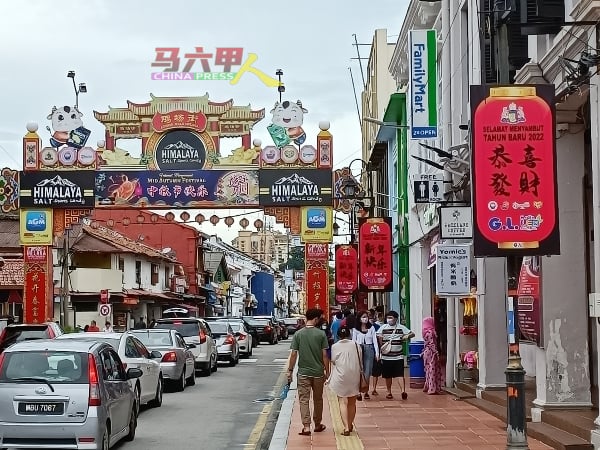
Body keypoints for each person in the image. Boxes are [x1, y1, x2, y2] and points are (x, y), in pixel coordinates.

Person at [287, 308, 330, 436]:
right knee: (318, 399)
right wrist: (327, 371)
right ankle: (317, 424)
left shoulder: (298, 334)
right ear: (316, 319)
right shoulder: (321, 334)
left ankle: (306, 427)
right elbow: (324, 356)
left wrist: (290, 370)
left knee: (304, 399)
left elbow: (294, 354)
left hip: (303, 373)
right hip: (318, 373)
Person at [327, 326, 361, 436]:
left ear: (338, 335)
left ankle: (346, 427)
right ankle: (350, 425)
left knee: (342, 401)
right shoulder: (356, 345)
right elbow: (360, 359)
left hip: (341, 376)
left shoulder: (335, 346)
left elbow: (333, 360)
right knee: (352, 403)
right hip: (354, 375)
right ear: (349, 334)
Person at [376, 310, 414, 399]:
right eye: (388, 318)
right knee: (387, 376)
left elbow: (412, 333)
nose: (389, 319)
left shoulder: (401, 327)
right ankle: (389, 392)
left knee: (400, 374)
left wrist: (406, 336)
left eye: (391, 318)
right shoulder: (383, 327)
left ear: (396, 319)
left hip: (398, 356)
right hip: (386, 357)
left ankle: (403, 391)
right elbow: (378, 337)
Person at [352, 310, 380, 400]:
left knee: (367, 371)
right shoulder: (355, 329)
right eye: (363, 317)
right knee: (359, 370)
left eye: (366, 317)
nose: (365, 319)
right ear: (359, 318)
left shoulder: (371, 328)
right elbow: (353, 342)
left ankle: (366, 391)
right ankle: (359, 392)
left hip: (369, 349)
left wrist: (377, 353)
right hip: (359, 349)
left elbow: (375, 341)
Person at [422, 316, 444, 394]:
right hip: (431, 353)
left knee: (429, 370)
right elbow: (431, 344)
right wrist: (436, 352)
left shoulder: (425, 332)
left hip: (426, 352)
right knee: (433, 370)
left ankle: (429, 386)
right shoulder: (431, 332)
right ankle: (432, 388)